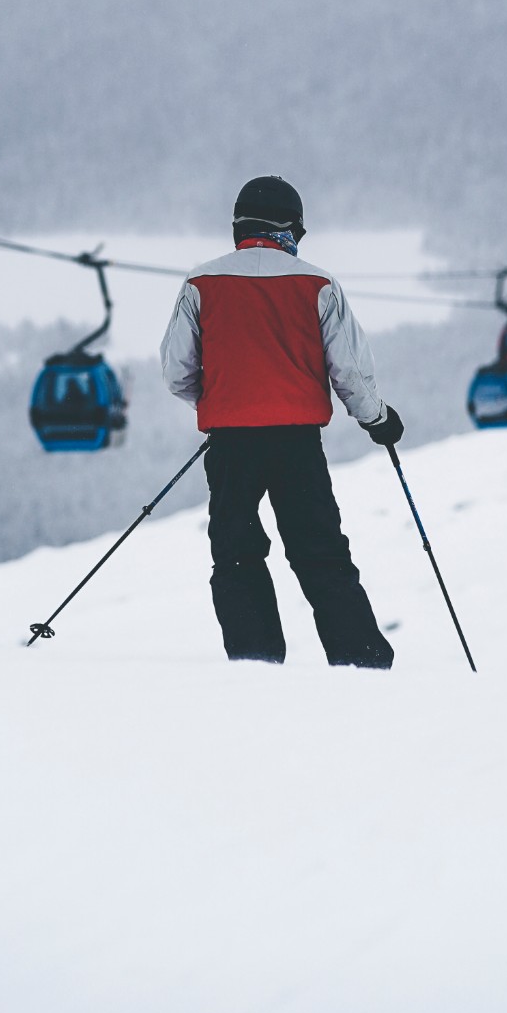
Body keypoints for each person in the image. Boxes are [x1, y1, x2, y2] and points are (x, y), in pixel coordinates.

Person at [160, 175, 404, 668]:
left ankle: (255, 662)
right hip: (297, 444)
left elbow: (176, 372)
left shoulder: (200, 284)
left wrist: (227, 405)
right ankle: (361, 660)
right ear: (290, 228)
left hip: (231, 446)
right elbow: (349, 368)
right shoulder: (318, 284)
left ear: (239, 227)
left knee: (236, 553)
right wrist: (376, 418)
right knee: (320, 552)